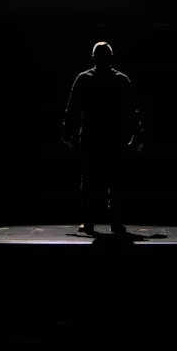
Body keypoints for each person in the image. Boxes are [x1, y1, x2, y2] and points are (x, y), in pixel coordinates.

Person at [62, 41, 144, 235]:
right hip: (110, 137)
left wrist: (68, 132)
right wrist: (137, 135)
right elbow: (132, 111)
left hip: (94, 136)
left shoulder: (85, 79)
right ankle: (112, 221)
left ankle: (91, 221)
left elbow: (72, 108)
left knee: (94, 180)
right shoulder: (120, 80)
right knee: (113, 180)